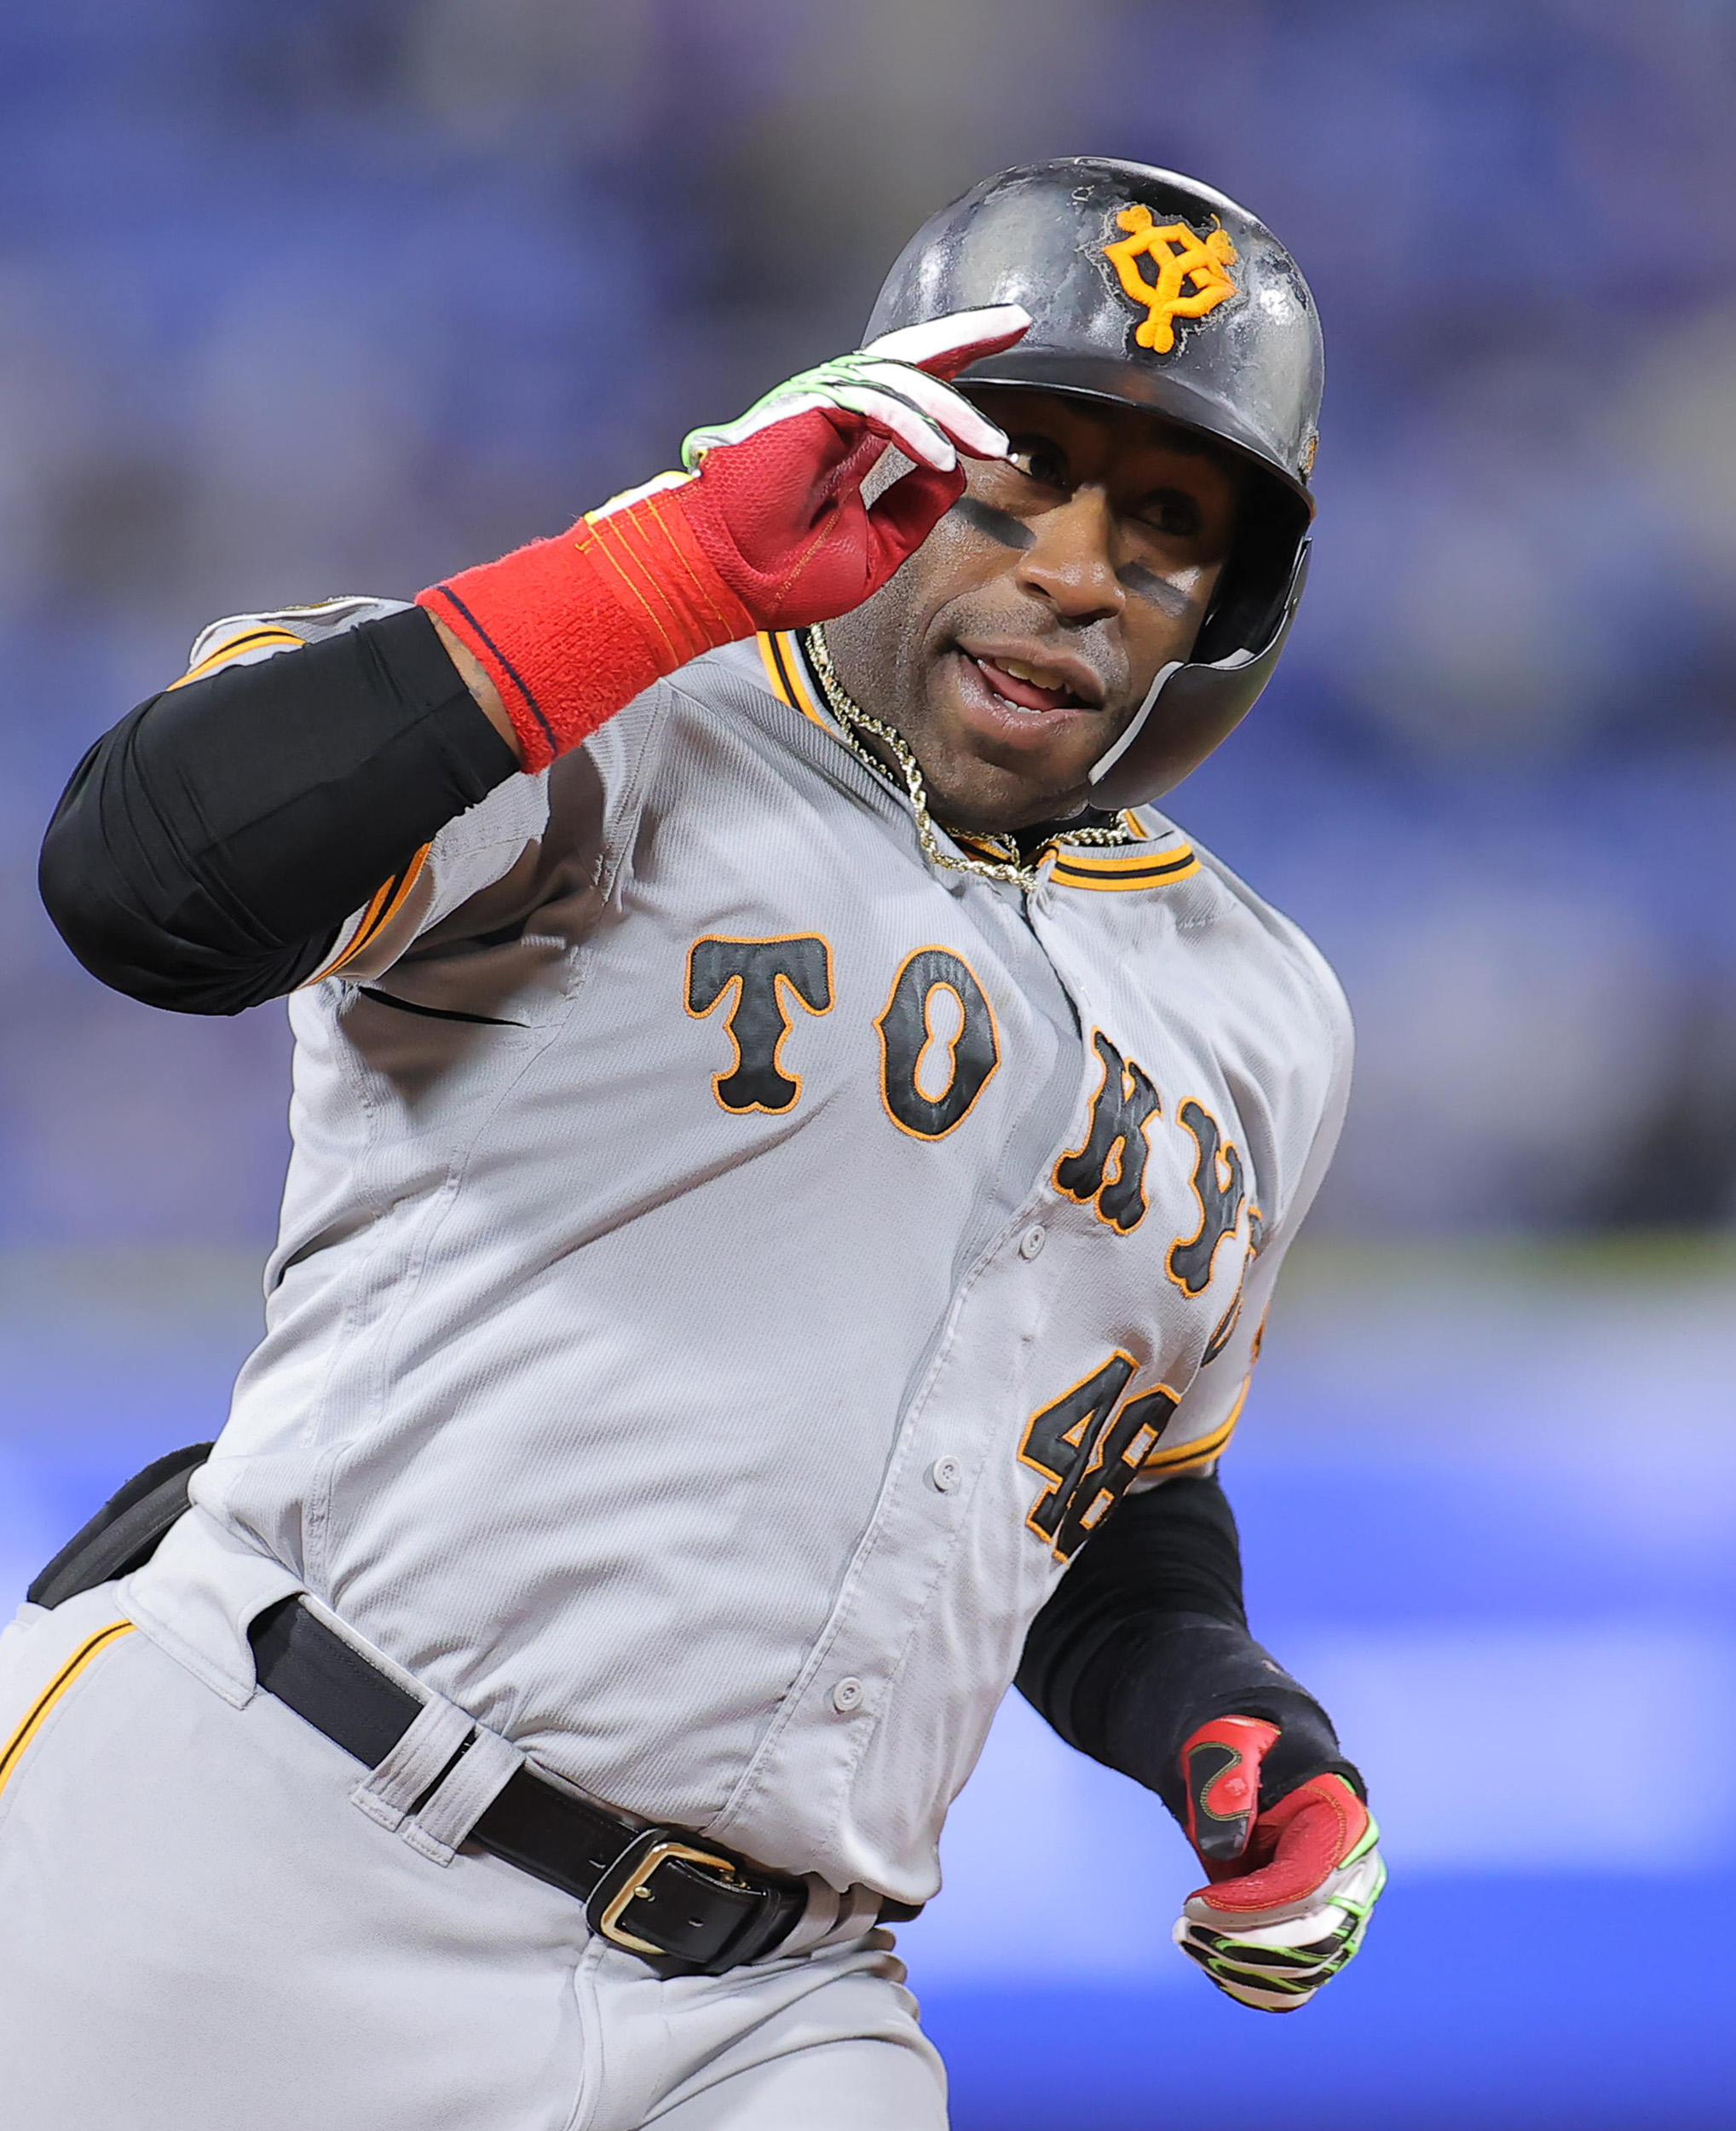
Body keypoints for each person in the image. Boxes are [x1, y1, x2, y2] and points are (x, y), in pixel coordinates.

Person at [7, 158, 1383, 2129]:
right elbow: (140, 882)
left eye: (1164, 522)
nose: (1078, 568)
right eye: (1019, 472)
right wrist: (663, 574)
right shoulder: (620, 708)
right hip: (268, 1837)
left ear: (1223, 609)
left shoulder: (1263, 1013)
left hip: (779, 2004)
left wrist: (1219, 1710)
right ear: (887, 447)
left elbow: (1089, 1496)